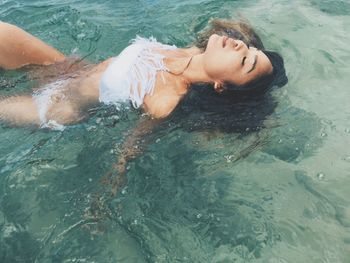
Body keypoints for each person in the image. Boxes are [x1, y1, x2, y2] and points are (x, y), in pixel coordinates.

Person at [0, 19, 283, 130]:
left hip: (57, 107)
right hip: (66, 69)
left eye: (246, 61)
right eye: (248, 47)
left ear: (221, 87)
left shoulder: (167, 100)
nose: (239, 46)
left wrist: (103, 197)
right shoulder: (187, 52)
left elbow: (129, 150)